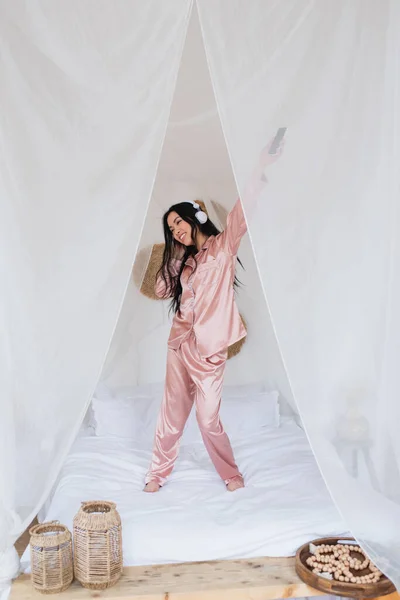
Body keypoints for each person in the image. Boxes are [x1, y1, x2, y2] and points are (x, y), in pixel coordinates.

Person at [144, 138, 283, 493]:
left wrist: (261, 166)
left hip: (208, 351)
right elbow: (162, 290)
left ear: (195, 218)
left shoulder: (222, 248)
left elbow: (243, 210)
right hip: (179, 344)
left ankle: (230, 474)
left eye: (179, 222)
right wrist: (175, 252)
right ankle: (157, 474)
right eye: (171, 227)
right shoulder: (183, 263)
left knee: (208, 419)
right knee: (172, 415)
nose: (175, 229)